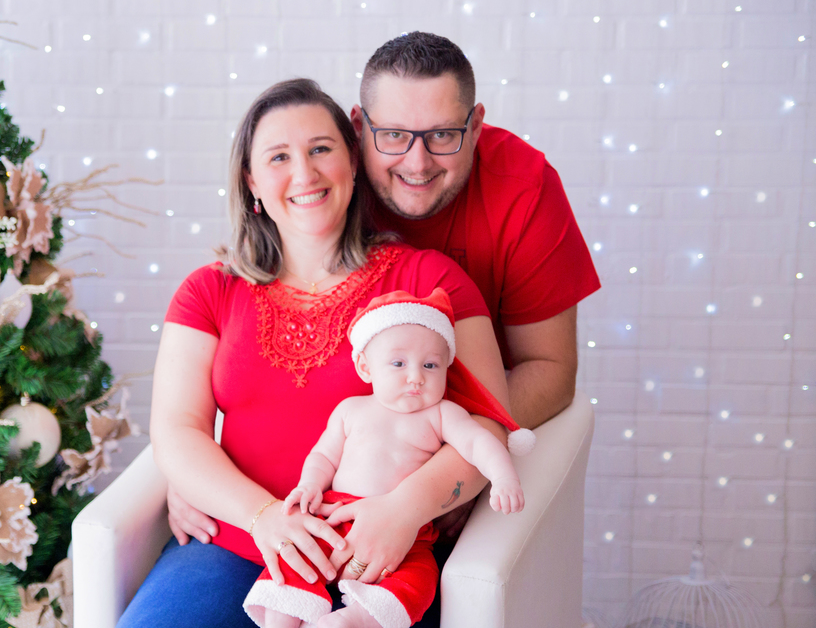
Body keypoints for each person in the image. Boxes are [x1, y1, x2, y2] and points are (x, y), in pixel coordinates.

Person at [99, 78, 512, 628]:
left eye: (322, 149)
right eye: (279, 157)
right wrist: (261, 517)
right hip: (241, 544)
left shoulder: (427, 280)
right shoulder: (210, 290)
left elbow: (488, 429)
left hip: (376, 558)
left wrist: (405, 509)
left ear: (352, 164)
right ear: (251, 182)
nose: (305, 172)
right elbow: (176, 430)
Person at [168, 30, 601, 550]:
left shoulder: (518, 194)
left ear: (476, 125)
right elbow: (185, 424)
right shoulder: (302, 210)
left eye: (443, 135)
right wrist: (202, 482)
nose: (417, 164)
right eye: (394, 135)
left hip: (405, 501)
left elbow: (547, 373)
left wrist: (438, 470)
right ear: (360, 133)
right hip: (259, 531)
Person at [231, 289, 533, 628]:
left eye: (430, 366)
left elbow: (479, 443)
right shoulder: (350, 411)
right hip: (334, 516)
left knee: (420, 583)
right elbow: (323, 456)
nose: (415, 378)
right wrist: (309, 484)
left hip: (407, 534)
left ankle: (349, 622)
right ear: (365, 368)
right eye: (398, 363)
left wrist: (504, 475)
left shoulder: (443, 414)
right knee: (293, 562)